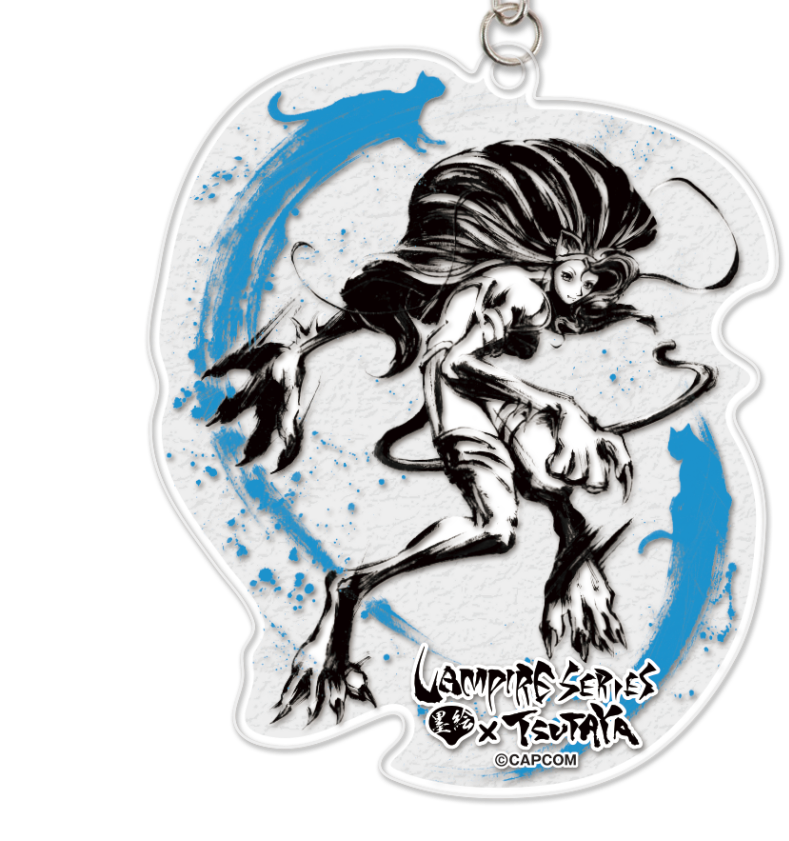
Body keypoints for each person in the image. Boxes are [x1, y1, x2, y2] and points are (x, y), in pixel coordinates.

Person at [205, 139, 736, 727]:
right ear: (556, 254)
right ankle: (349, 590)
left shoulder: (514, 287)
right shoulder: (518, 286)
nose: (588, 289)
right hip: (462, 403)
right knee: (497, 529)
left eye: (598, 278)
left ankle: (572, 556)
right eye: (581, 272)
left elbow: (393, 314)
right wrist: (555, 403)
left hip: (493, 401)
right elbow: (454, 362)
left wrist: (300, 350)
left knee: (556, 473)